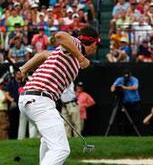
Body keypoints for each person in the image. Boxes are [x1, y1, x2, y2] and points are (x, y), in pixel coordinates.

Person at [18, 26, 100, 165]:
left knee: (48, 141)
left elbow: (44, 54)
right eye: (96, 46)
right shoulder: (77, 45)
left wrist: (24, 68)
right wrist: (80, 57)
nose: (96, 49)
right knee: (61, 150)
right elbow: (60, 35)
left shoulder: (67, 52)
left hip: (33, 99)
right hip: (39, 100)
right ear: (92, 43)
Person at [111, 69, 141, 135]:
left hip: (135, 102)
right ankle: (124, 134)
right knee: (123, 119)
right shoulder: (120, 79)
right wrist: (115, 88)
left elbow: (135, 87)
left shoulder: (134, 79)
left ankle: (135, 134)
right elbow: (113, 87)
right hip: (124, 103)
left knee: (134, 119)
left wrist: (124, 87)